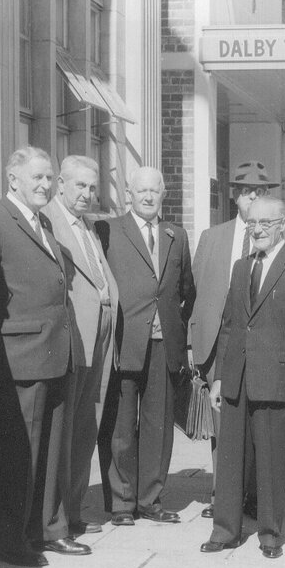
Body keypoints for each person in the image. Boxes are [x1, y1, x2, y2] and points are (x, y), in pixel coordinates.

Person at [0, 147, 85, 564]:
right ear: (13, 179)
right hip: (18, 356)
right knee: (16, 453)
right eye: (37, 177)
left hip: (53, 351)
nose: (45, 185)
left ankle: (46, 530)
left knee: (49, 450)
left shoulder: (43, 222)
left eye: (50, 178)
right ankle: (10, 540)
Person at [202, 196, 285, 558]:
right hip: (238, 378)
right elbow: (230, 326)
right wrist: (222, 378)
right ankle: (225, 530)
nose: (257, 230)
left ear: (283, 224)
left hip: (278, 381)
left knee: (272, 463)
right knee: (229, 461)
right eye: (252, 223)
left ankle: (270, 534)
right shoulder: (242, 267)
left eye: (266, 224)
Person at [189, 161, 285, 518]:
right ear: (235, 195)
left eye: (260, 192)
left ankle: (251, 497)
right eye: (246, 191)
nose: (252, 197)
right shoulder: (212, 236)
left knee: (258, 428)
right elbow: (196, 289)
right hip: (220, 343)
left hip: (263, 349)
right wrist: (195, 341)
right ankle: (224, 496)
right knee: (224, 426)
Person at [96, 166, 196, 526]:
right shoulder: (108, 230)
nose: (149, 197)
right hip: (125, 342)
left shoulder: (176, 235)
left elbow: (187, 291)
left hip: (163, 345)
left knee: (158, 425)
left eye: (155, 191)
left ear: (164, 193)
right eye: (142, 191)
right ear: (129, 194)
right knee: (121, 427)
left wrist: (177, 333)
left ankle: (150, 500)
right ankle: (122, 503)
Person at [42, 156, 118, 536]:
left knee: (86, 427)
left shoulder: (88, 226)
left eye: (92, 187)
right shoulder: (48, 221)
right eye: (79, 186)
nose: (87, 194)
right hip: (74, 338)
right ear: (60, 184)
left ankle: (73, 512)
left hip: (100, 335)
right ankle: (56, 518)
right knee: (66, 430)